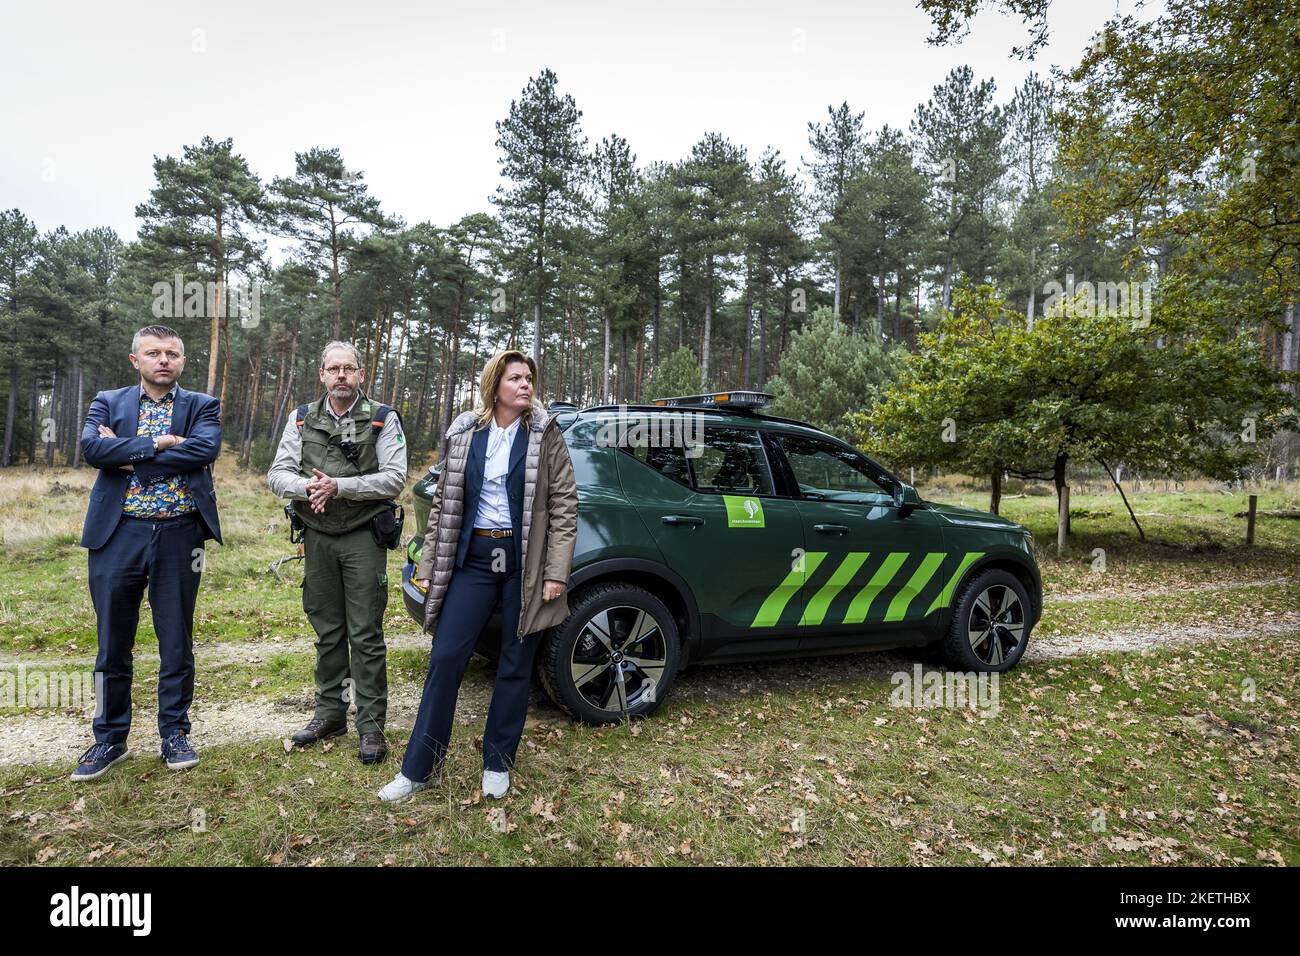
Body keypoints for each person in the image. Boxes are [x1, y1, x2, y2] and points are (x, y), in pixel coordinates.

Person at [378, 349, 578, 802]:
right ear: (495, 385)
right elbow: (446, 506)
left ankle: (497, 763)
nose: (525, 385)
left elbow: (566, 505)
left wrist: (555, 572)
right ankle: (418, 769)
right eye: (516, 378)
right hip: (474, 556)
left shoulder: (545, 434)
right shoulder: (465, 431)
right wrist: (428, 565)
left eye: (529, 378)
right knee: (447, 658)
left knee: (515, 662)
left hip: (524, 561)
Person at [72, 325, 222, 781]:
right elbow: (92, 449)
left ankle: (174, 732)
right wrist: (158, 443)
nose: (164, 360)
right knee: (112, 644)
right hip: (118, 536)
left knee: (176, 640)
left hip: (179, 537)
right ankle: (109, 739)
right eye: (153, 353)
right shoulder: (108, 400)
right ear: (135, 359)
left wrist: (126, 453)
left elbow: (204, 449)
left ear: (181, 361)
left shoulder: (202, 405)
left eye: (172, 354)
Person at [267, 341, 407, 763]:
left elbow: (395, 478)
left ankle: (371, 726)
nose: (342, 375)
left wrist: (339, 487)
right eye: (334, 368)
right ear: (323, 375)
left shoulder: (382, 418)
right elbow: (277, 474)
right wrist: (309, 488)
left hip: (363, 535)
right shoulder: (301, 417)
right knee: (328, 631)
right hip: (317, 535)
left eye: (349, 368)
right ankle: (329, 714)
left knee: (365, 633)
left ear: (361, 375)